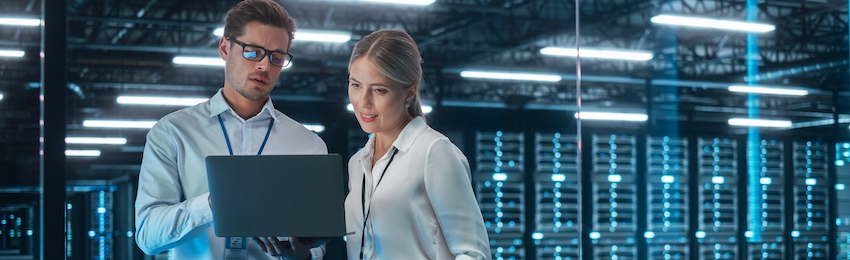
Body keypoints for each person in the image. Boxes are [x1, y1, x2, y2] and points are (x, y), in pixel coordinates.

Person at [134, 0, 327, 259]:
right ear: (225, 47)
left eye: (277, 57)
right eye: (252, 52)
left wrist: (301, 255)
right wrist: (213, 204)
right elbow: (147, 237)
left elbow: (316, 249)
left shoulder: (309, 144)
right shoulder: (173, 132)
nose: (264, 66)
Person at [345, 29, 491, 259]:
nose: (363, 102)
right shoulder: (357, 163)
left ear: (409, 93)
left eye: (379, 90)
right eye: (355, 85)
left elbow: (473, 253)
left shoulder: (433, 152)